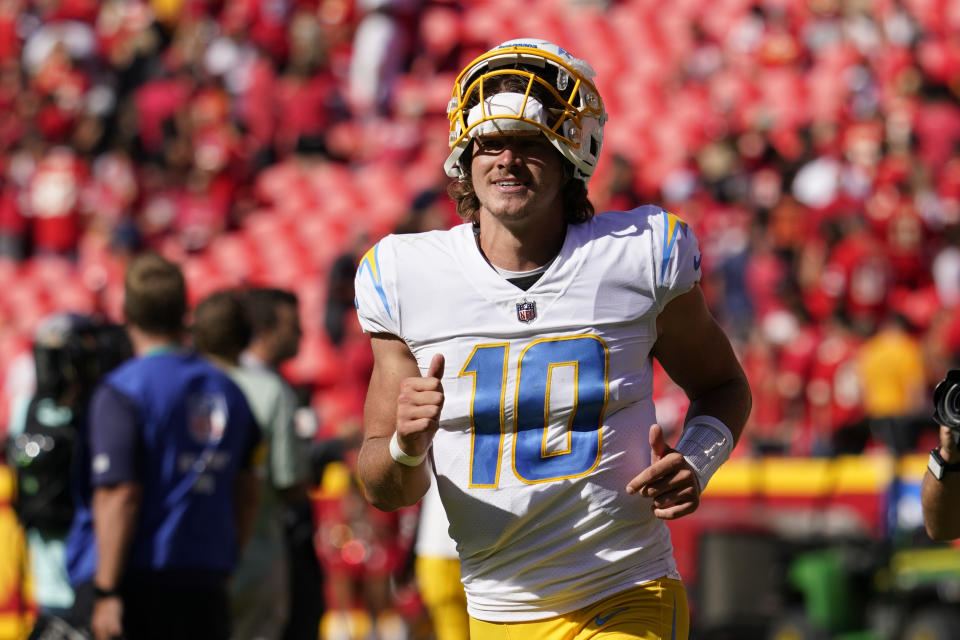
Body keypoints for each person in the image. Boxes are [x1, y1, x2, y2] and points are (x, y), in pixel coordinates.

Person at [353, 39, 752, 639]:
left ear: (573, 153)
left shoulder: (638, 255)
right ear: (465, 153)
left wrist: (697, 459)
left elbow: (723, 386)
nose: (507, 160)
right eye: (490, 142)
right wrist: (409, 444)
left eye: (531, 142)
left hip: (624, 588)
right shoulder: (406, 276)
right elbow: (385, 489)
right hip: (495, 609)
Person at [65, 252, 261, 640]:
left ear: (126, 313)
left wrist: (106, 590)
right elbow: (247, 491)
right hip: (205, 580)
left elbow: (119, 493)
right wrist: (224, 564)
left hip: (135, 580)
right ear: (184, 311)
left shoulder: (122, 390)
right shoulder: (229, 390)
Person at [192, 289, 306, 640]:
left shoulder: (176, 387)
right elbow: (291, 483)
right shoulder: (270, 390)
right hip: (254, 558)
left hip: (184, 557)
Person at [241, 288, 321, 640]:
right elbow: (291, 483)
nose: (301, 335)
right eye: (292, 326)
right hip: (268, 550)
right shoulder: (269, 389)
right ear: (263, 330)